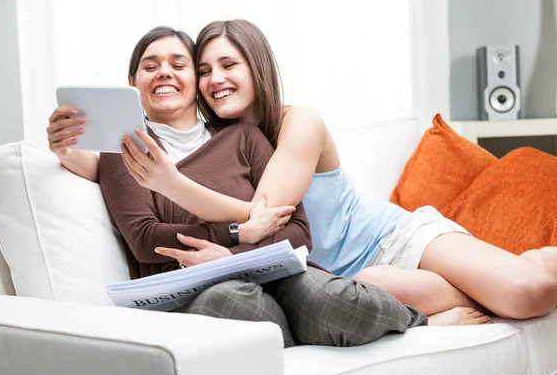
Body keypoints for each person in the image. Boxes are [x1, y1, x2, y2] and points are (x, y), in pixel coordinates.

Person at [120, 19, 557, 322]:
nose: (215, 79)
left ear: (258, 68)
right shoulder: (214, 142)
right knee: (372, 283)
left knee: (525, 291)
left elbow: (262, 216)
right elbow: (114, 166)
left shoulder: (298, 122)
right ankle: (481, 288)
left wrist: (171, 185)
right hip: (345, 282)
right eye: (204, 71)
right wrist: (78, 153)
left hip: (390, 239)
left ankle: (527, 264)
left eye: (229, 65)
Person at [47, 25, 431, 348]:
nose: (165, 72)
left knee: (338, 301)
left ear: (196, 83)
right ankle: (301, 335)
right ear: (133, 84)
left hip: (271, 273)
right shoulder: (125, 150)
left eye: (178, 64)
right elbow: (146, 239)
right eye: (151, 66)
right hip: (192, 288)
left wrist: (232, 257)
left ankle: (419, 322)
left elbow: (297, 229)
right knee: (241, 305)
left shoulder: (243, 138)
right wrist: (237, 231)